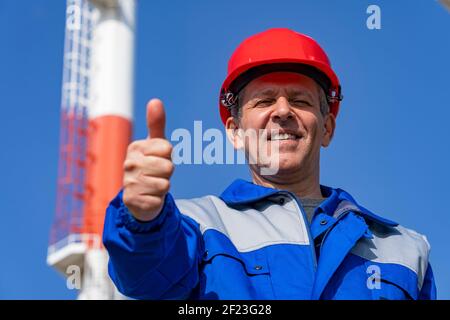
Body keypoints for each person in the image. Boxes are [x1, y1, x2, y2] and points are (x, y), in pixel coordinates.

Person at [103, 28, 436, 300]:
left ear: (327, 129)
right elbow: (144, 277)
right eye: (263, 100)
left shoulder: (404, 250)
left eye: (299, 100)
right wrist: (143, 220)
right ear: (235, 132)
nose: (282, 111)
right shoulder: (194, 227)